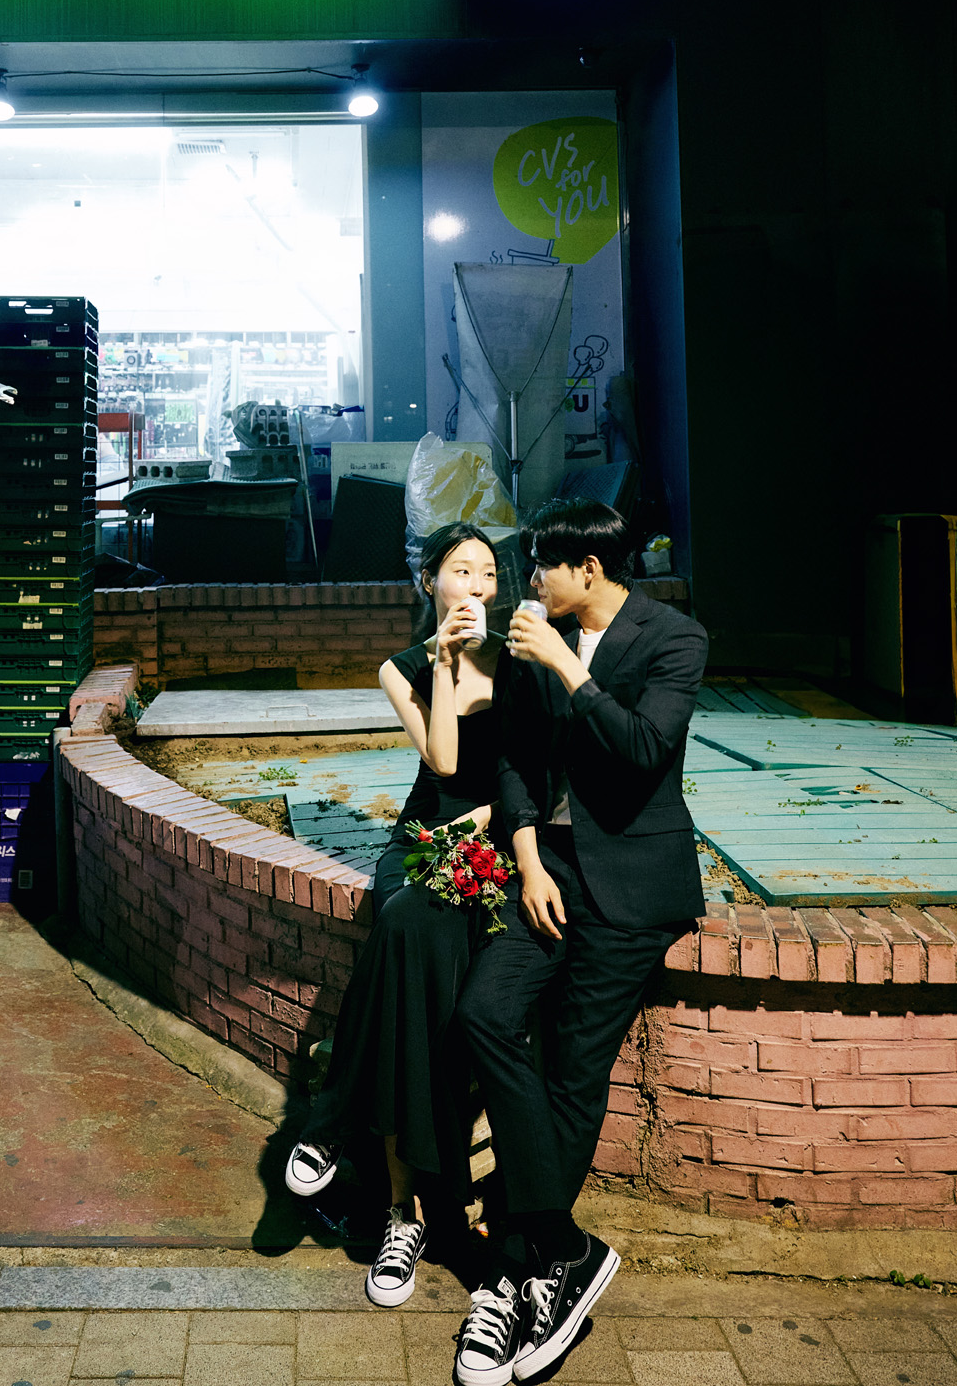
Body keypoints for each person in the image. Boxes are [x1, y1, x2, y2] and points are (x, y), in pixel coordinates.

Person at [453, 498, 708, 1386]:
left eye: (540, 567)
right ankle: (564, 1247)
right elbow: (515, 762)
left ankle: (514, 1275)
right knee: (485, 1013)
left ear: (587, 570)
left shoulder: (674, 639)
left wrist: (566, 665)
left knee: (572, 1070)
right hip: (549, 873)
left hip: (633, 887)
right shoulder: (537, 637)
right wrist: (526, 859)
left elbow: (644, 751)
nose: (528, 581)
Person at [282, 523, 517, 1308]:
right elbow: (444, 762)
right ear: (429, 583)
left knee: (410, 939)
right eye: (462, 570)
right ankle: (403, 1215)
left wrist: (486, 822)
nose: (478, 585)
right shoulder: (402, 667)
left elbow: (527, 776)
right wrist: (445, 664)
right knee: (404, 920)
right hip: (426, 838)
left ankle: (339, 1131)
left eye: (488, 572)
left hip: (493, 837)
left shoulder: (520, 658)